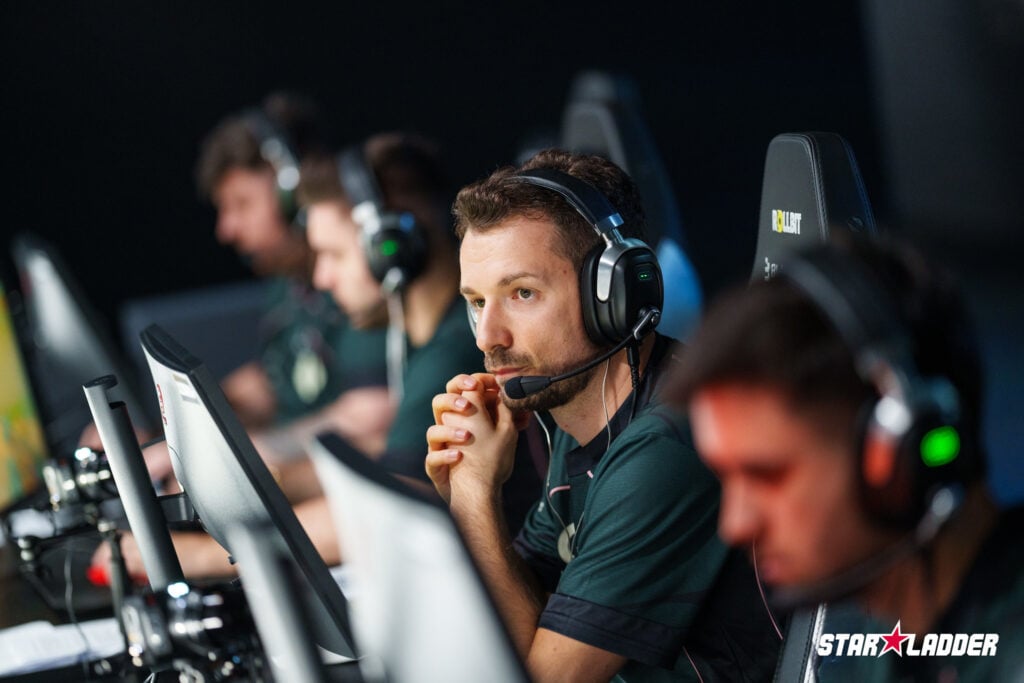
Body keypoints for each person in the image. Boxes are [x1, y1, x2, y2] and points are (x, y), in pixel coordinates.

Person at [425, 149, 783, 682]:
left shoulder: (665, 448)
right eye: (477, 302)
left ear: (615, 293)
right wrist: (465, 499)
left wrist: (475, 493)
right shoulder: (579, 415)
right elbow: (520, 607)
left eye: (522, 293)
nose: (487, 338)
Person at [667, 236, 1024, 681]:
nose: (735, 525)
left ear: (899, 450)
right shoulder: (880, 637)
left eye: (767, 475)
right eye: (726, 477)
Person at [195, 91, 390, 433]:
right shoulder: (288, 282)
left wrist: (261, 454)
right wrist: (170, 431)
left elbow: (370, 415)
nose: (226, 230)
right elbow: (271, 382)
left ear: (293, 195)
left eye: (242, 204)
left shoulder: (356, 277)